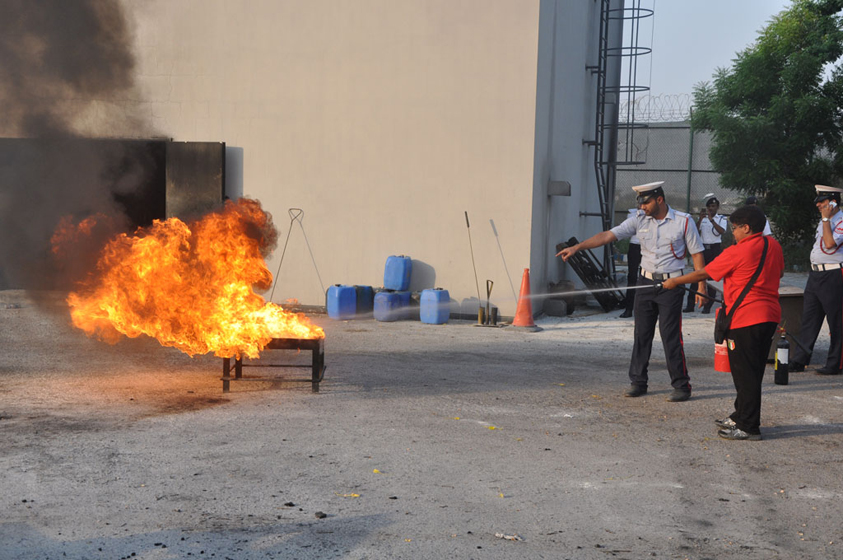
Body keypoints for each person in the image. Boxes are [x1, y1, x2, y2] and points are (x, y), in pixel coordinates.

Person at [557, 181, 706, 401]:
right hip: (645, 284)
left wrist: (701, 284)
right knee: (641, 335)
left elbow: (697, 254)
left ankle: (681, 386)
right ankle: (638, 382)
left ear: (659, 200)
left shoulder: (683, 222)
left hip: (672, 285)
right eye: (640, 203)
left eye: (646, 202)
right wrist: (577, 247)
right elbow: (608, 235)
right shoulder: (638, 220)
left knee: (671, 336)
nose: (642, 207)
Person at [663, 205, 784, 440]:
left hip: (745, 318)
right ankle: (740, 415)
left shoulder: (738, 251)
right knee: (753, 370)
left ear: (746, 228)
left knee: (744, 374)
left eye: (735, 228)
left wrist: (674, 282)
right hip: (769, 316)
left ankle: (748, 426)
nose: (733, 233)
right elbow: (779, 273)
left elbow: (704, 273)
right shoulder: (773, 245)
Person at [790, 185, 843, 375]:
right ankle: (800, 359)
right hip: (816, 274)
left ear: (833, 202)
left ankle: (835, 364)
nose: (818, 205)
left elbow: (829, 244)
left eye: (822, 202)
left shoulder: (839, 220)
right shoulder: (824, 221)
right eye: (818, 202)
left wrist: (826, 219)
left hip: (834, 274)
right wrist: (825, 219)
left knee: (837, 321)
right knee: (809, 318)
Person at [684, 194, 727, 314]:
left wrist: (712, 220)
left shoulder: (721, 219)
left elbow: (721, 231)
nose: (711, 209)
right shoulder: (703, 218)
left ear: (717, 207)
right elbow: (695, 231)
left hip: (714, 249)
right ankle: (690, 305)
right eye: (709, 207)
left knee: (712, 278)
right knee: (696, 276)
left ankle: (707, 306)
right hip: (703, 248)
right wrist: (701, 219)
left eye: (713, 206)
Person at [620, 208, 641, 318]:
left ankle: (644, 307)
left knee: (646, 277)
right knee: (632, 277)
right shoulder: (633, 214)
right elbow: (627, 231)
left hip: (648, 246)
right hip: (635, 245)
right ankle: (629, 308)